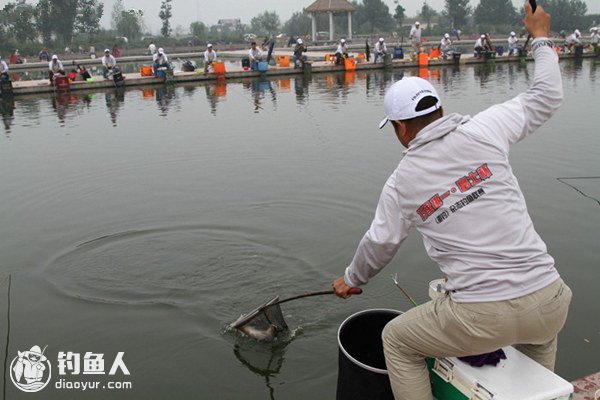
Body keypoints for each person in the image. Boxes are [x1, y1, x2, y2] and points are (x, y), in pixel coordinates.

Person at [332, 4, 571, 400]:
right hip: (549, 298)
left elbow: (379, 244)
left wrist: (351, 280)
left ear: (402, 127)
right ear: (440, 109)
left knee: (396, 340)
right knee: (535, 361)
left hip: (480, 314)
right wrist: (541, 37)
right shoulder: (485, 128)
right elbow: (546, 95)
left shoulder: (401, 182)